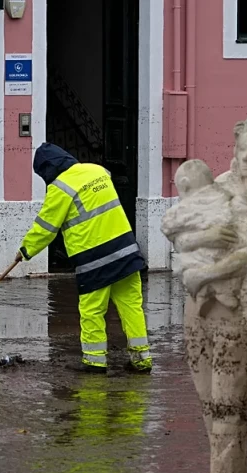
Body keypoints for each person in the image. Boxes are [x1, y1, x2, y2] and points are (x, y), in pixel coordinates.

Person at [161, 116, 247, 473]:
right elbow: (179, 230)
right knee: (211, 409)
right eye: (239, 147)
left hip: (239, 311)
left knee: (228, 409)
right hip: (199, 309)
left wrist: (206, 271)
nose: (243, 156)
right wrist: (196, 244)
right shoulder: (220, 186)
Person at [17, 143, 151, 374]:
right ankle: (141, 360)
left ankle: (94, 361)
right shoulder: (98, 171)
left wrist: (25, 250)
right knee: (132, 308)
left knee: (92, 311)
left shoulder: (61, 188)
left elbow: (46, 228)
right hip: (126, 252)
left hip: (95, 260)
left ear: (47, 169)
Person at [163, 159, 247, 309]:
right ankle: (213, 291)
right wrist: (205, 237)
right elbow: (179, 241)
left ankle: (214, 290)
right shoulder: (222, 188)